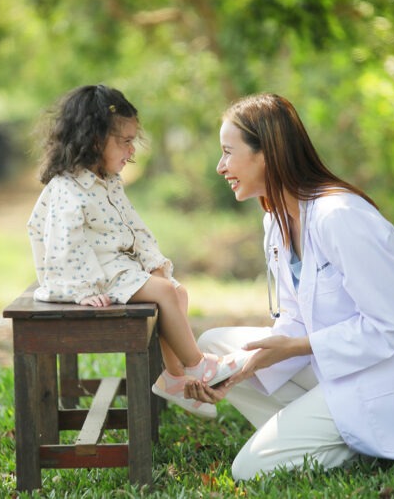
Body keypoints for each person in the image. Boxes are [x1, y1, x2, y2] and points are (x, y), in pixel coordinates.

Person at [184, 93, 394, 480]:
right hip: (336, 370)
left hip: (384, 378)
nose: (220, 167)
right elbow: (297, 319)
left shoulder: (340, 217)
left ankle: (353, 440)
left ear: (267, 153)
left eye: (227, 152)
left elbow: (390, 326)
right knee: (216, 346)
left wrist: (296, 347)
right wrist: (248, 365)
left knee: (249, 470)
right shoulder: (278, 220)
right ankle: (324, 433)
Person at [27, 84, 250, 418]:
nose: (132, 150)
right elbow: (63, 244)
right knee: (164, 292)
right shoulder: (67, 188)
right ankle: (197, 365)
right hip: (92, 278)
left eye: (133, 140)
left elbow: (135, 227)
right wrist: (85, 289)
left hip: (119, 269)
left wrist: (154, 263)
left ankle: (173, 380)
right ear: (93, 140)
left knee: (176, 292)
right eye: (125, 141)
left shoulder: (109, 182)